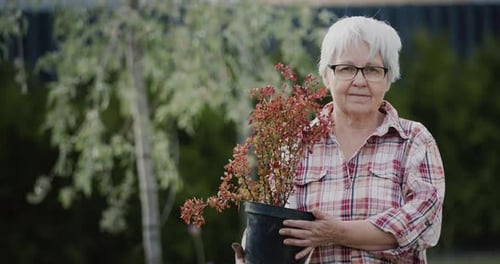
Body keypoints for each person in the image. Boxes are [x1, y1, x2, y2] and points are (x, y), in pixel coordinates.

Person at [234, 15, 445, 263]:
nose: (359, 81)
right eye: (345, 69)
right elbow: (271, 223)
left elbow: (421, 220)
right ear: (326, 76)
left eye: (372, 70)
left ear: (388, 79)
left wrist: (336, 233)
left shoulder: (413, 140)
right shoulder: (297, 145)